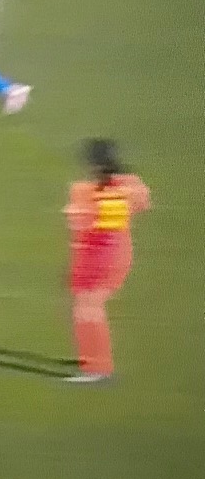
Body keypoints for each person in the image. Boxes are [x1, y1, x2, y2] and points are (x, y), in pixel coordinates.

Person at [64, 138, 151, 383]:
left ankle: (97, 367)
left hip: (95, 257)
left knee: (86, 309)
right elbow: (143, 204)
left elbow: (79, 224)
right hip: (120, 253)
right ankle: (93, 360)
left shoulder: (84, 190)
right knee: (91, 307)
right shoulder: (131, 184)